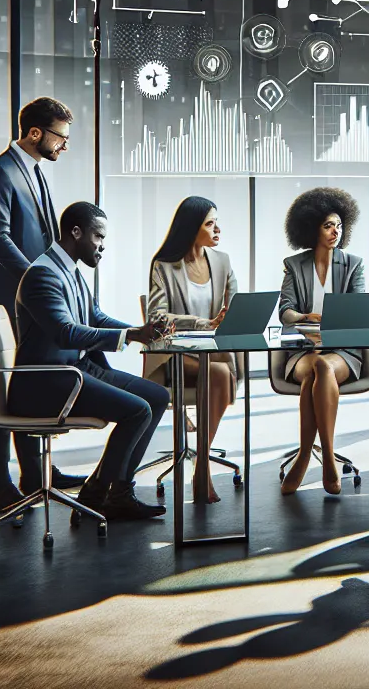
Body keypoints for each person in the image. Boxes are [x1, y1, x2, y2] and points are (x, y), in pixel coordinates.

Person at [7, 201, 174, 521]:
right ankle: (97, 495)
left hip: (76, 370)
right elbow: (65, 333)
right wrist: (131, 336)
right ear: (75, 232)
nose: (102, 246)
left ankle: (119, 491)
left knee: (157, 395)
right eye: (98, 236)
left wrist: (138, 332)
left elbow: (94, 317)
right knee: (137, 410)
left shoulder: (68, 270)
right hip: (47, 380)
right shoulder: (42, 275)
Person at [0, 96, 86, 512]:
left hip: (33, 303)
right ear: (35, 132)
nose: (64, 146)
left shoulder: (36, 172)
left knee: (30, 386)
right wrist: (37, 280)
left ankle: (38, 475)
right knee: (2, 389)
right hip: (6, 300)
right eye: (60, 137)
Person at [144, 196, 237, 505]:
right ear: (190, 228)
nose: (217, 229)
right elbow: (156, 318)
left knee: (221, 369)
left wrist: (229, 318)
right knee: (221, 373)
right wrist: (202, 322)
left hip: (213, 353)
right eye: (209, 224)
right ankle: (203, 470)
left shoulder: (221, 261)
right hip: (175, 354)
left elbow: (234, 307)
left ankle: (201, 461)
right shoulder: (165, 265)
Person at [277, 187, 367, 496]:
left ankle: (309, 456)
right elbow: (285, 312)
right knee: (316, 366)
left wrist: (332, 327)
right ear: (312, 227)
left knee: (320, 371)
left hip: (341, 351)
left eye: (340, 225)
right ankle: (326, 457)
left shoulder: (354, 264)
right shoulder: (294, 264)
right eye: (328, 225)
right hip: (303, 350)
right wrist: (305, 318)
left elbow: (359, 312)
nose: (335, 231)